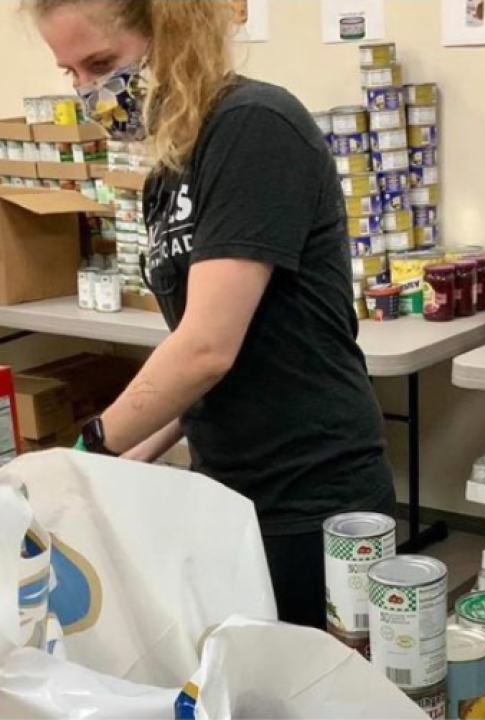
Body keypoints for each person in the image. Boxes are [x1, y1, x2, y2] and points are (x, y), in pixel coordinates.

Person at [27, 0, 396, 629]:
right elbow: (201, 370)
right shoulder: (169, 174)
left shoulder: (255, 127)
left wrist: (88, 447)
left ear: (173, 32)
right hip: (227, 489)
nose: (91, 93)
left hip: (312, 497)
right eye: (72, 76)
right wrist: (110, 469)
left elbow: (205, 349)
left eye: (102, 64)